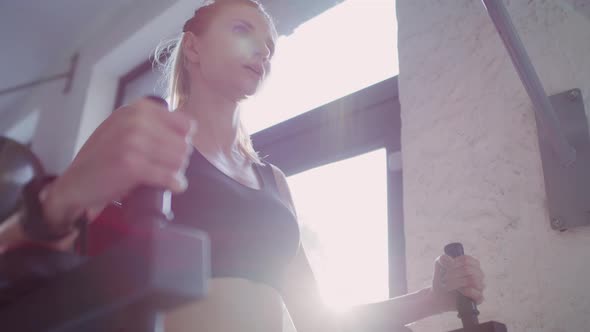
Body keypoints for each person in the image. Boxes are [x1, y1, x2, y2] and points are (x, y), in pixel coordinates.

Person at [0, 0, 486, 331]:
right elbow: (20, 256)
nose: (263, 50)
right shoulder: (143, 129)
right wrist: (62, 199)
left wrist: (433, 298)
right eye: (241, 30)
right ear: (192, 47)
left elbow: (316, 320)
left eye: (270, 44)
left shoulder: (273, 183)